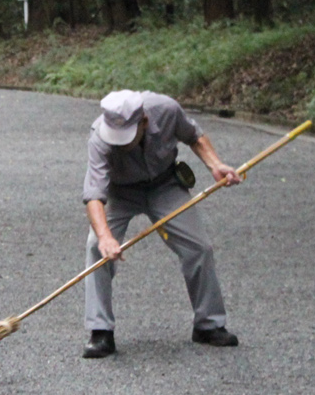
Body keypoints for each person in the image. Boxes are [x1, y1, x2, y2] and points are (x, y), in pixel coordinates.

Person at [81, 89, 243, 358]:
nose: (120, 143)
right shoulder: (100, 136)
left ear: (144, 121)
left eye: (127, 136)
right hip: (120, 192)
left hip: (164, 185)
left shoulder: (166, 109)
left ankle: (208, 324)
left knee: (199, 248)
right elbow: (94, 194)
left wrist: (215, 164)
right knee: (96, 247)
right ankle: (100, 332)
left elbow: (195, 136)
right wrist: (106, 237)